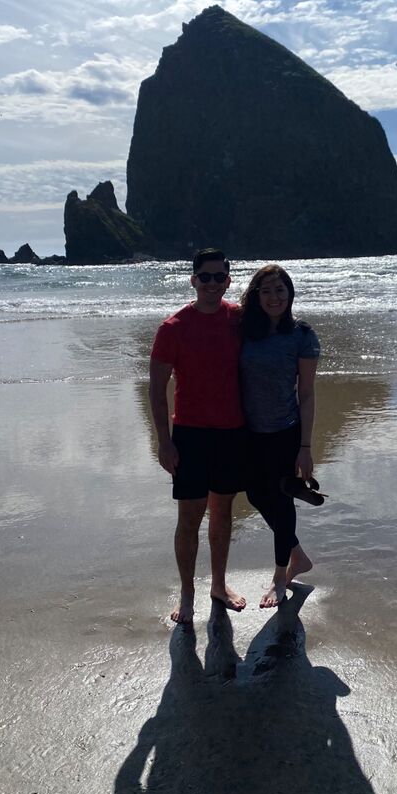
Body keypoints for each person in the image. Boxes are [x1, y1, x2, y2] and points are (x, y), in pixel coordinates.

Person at [149, 248, 247, 624]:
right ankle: (187, 592)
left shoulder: (238, 320)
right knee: (189, 518)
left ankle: (218, 585)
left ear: (227, 280)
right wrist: (164, 440)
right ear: (193, 280)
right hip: (189, 435)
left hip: (232, 433)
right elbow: (157, 390)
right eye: (204, 277)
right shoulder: (172, 328)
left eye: (218, 277)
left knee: (222, 514)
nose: (211, 284)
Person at [239, 264, 321, 608]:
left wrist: (305, 446)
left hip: (285, 431)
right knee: (258, 495)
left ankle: (280, 576)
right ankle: (298, 555)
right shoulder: (243, 330)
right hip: (247, 431)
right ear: (256, 295)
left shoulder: (301, 335)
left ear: (290, 295)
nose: (274, 297)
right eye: (267, 290)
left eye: (281, 290)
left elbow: (307, 393)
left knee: (281, 499)